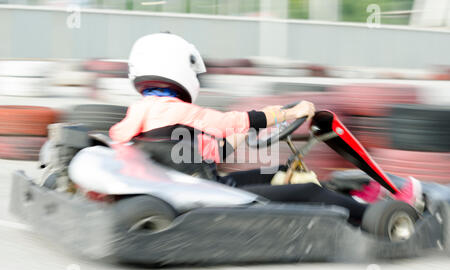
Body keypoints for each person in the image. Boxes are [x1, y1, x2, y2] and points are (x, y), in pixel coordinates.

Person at [109, 33, 421, 224]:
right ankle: (372, 214)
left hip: (196, 185)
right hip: (211, 194)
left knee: (280, 170)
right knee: (308, 190)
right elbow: (231, 121)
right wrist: (289, 112)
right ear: (178, 66)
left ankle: (355, 201)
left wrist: (238, 140)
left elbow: (192, 153)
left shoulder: (139, 113)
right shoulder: (177, 110)